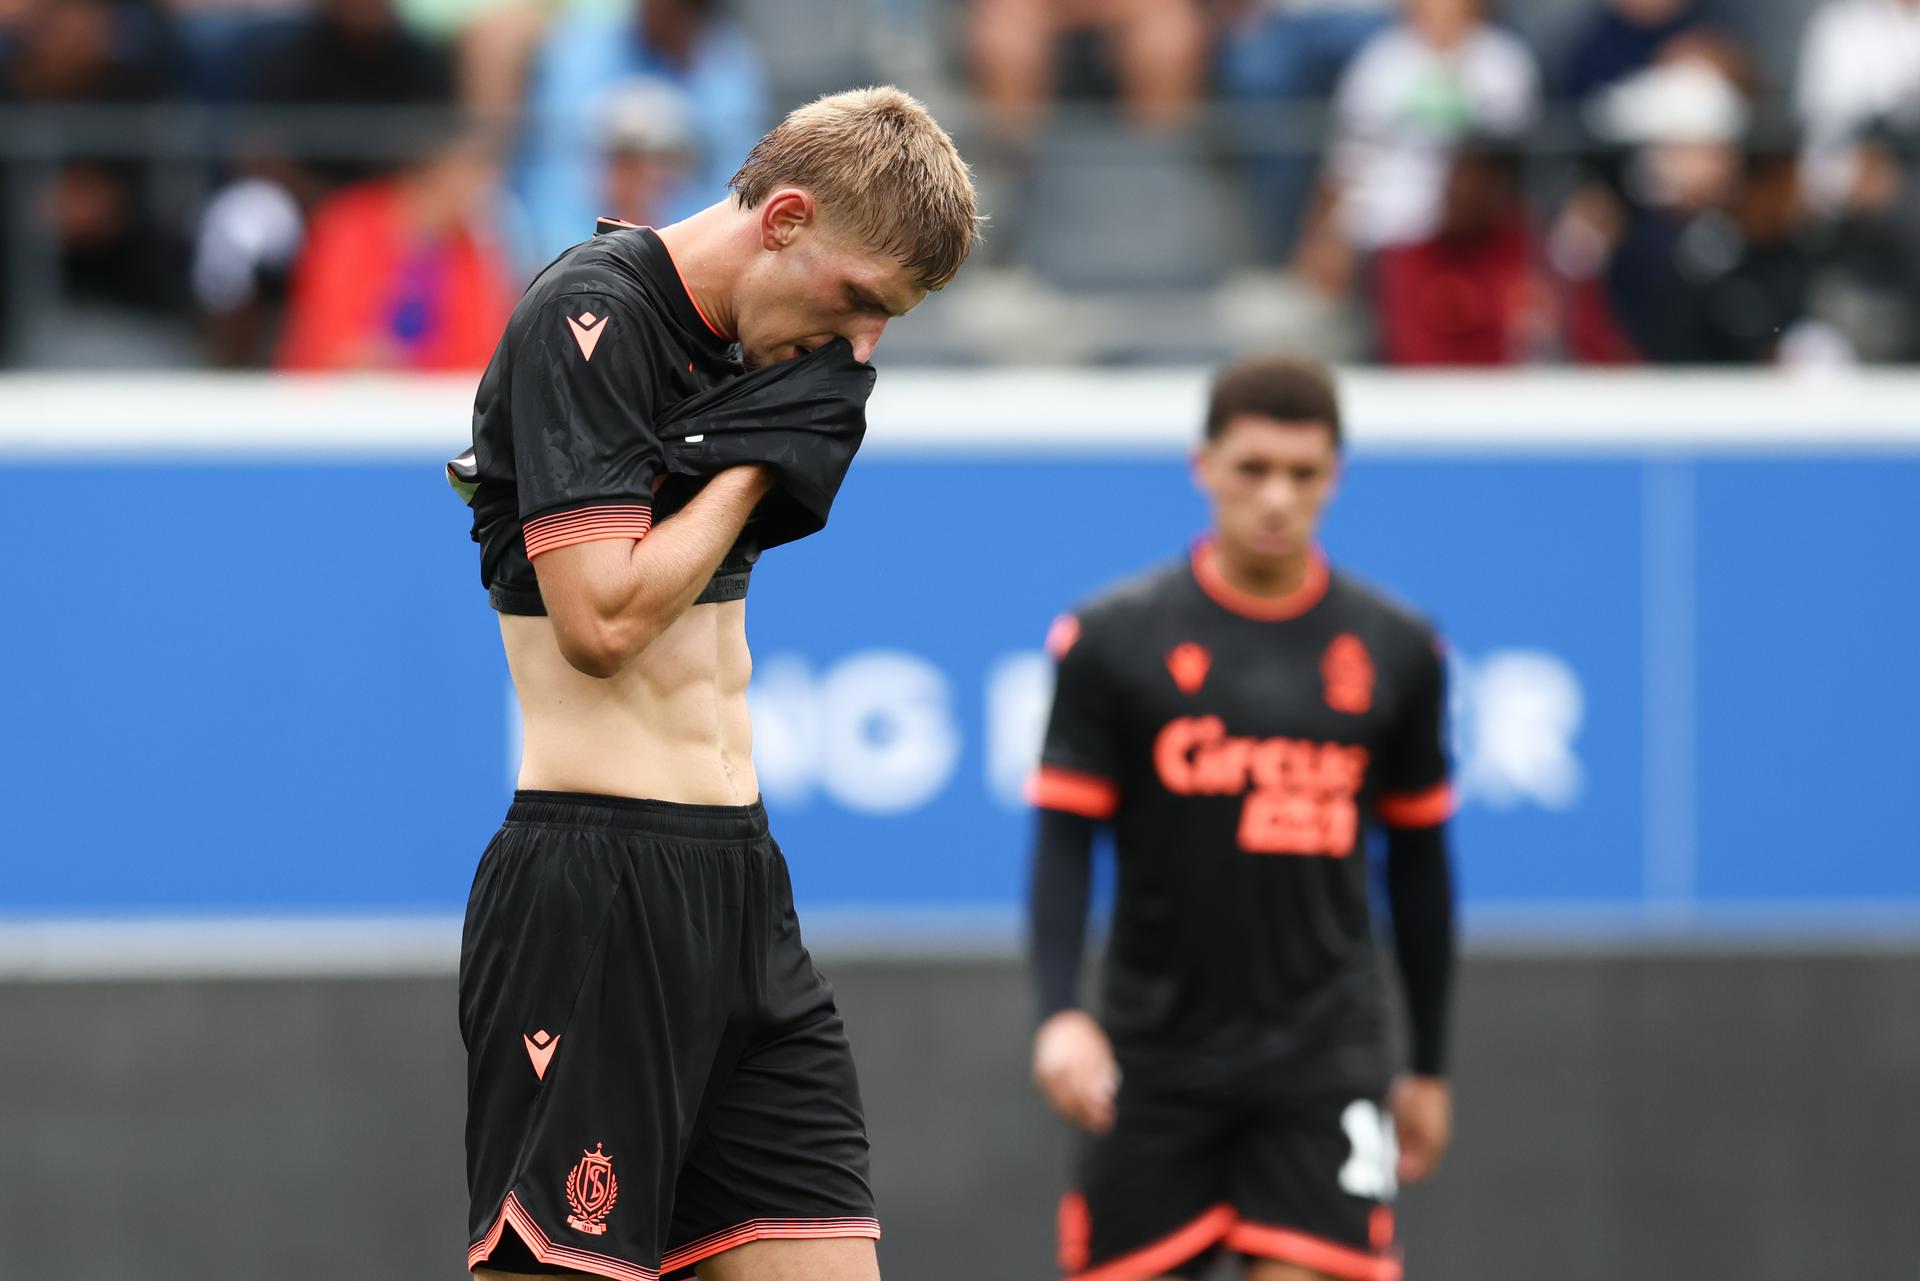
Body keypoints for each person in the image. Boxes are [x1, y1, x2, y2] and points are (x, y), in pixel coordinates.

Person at [450, 86, 977, 1281]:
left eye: (887, 323)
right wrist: (758, 462)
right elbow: (601, 619)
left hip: (742, 888)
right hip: (593, 888)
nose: (856, 352)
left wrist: (757, 434)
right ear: (785, 217)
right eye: (856, 302)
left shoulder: (740, 352)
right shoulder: (590, 313)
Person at [1027, 355, 1458, 1281]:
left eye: (1303, 474)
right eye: (1253, 468)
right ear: (1204, 465)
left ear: (1335, 476)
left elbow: (1420, 862)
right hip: (1155, 1065)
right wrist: (1061, 1013)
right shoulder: (1114, 639)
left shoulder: (1397, 648)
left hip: (1323, 1062)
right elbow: (1065, 836)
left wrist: (1427, 1062)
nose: (1276, 497)